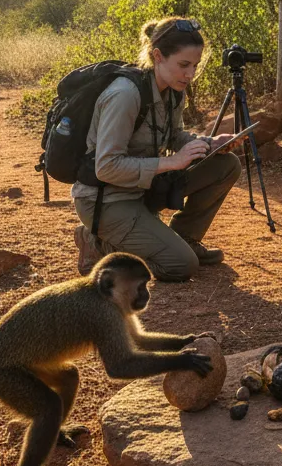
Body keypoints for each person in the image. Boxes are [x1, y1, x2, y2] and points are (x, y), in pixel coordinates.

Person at [72, 17, 244, 281]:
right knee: (181, 265)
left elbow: (173, 135)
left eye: (195, 65)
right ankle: (95, 241)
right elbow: (106, 167)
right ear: (158, 56)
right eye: (184, 65)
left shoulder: (174, 88)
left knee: (226, 164)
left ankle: (185, 237)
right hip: (107, 201)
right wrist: (172, 162)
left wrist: (210, 144)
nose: (190, 74)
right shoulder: (125, 95)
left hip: (143, 188)